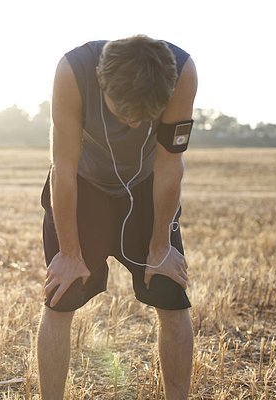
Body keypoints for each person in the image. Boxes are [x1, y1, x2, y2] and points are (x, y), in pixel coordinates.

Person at [37, 35, 198, 400]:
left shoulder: (183, 72)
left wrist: (160, 245)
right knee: (61, 297)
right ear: (100, 77)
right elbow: (62, 166)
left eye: (143, 117)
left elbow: (170, 166)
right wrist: (69, 252)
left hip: (145, 187)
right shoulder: (72, 71)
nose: (131, 123)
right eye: (122, 111)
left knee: (171, 294)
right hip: (83, 184)